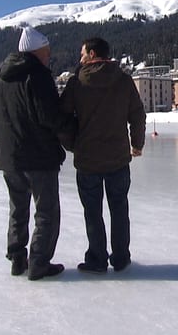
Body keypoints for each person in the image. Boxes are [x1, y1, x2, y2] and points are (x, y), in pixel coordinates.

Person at [0, 27, 68, 281]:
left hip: (10, 160)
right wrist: (70, 132)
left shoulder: (1, 78)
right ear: (36, 51)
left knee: (17, 209)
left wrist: (10, 142)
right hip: (39, 157)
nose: (49, 56)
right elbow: (50, 116)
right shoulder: (38, 75)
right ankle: (39, 263)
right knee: (46, 211)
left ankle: (17, 258)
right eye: (47, 52)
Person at [60, 37, 146, 274]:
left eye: (82, 54)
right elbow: (137, 114)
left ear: (92, 54)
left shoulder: (77, 83)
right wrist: (137, 144)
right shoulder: (123, 80)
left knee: (92, 211)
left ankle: (97, 259)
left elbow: (62, 119)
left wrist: (73, 144)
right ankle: (120, 258)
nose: (80, 59)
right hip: (118, 158)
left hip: (87, 160)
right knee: (119, 209)